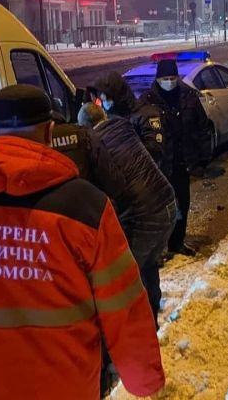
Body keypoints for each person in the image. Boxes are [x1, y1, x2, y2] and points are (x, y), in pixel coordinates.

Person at [0, 84, 164, 400]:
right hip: (63, 387)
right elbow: (124, 305)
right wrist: (144, 379)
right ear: (50, 132)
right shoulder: (87, 208)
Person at [77, 102, 177, 321]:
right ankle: (152, 312)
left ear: (84, 127)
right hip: (168, 202)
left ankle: (141, 325)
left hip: (145, 214)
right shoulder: (123, 128)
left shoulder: (95, 144)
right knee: (148, 262)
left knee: (129, 274)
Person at [142, 59, 212, 256]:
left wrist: (203, 158)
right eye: (165, 78)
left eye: (173, 78)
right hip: (159, 165)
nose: (169, 82)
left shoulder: (189, 96)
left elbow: (202, 127)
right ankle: (160, 247)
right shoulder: (148, 101)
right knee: (161, 208)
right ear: (158, 79)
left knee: (182, 203)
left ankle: (177, 242)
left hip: (181, 163)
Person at [93, 72, 170, 171]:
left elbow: (155, 150)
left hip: (148, 176)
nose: (104, 103)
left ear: (116, 96)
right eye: (102, 99)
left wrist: (122, 152)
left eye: (106, 98)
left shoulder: (146, 114)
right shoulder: (111, 117)